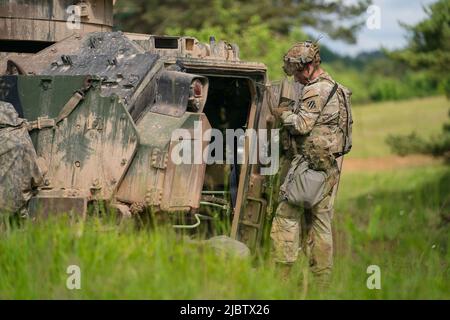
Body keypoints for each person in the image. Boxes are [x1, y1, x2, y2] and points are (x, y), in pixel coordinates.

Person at [270, 40, 352, 286]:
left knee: (285, 216)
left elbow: (302, 125)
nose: (294, 78)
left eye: (296, 72)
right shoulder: (337, 88)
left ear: (306, 68)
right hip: (327, 168)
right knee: (321, 224)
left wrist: (282, 113)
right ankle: (321, 283)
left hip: (309, 168)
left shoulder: (315, 90)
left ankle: (280, 278)